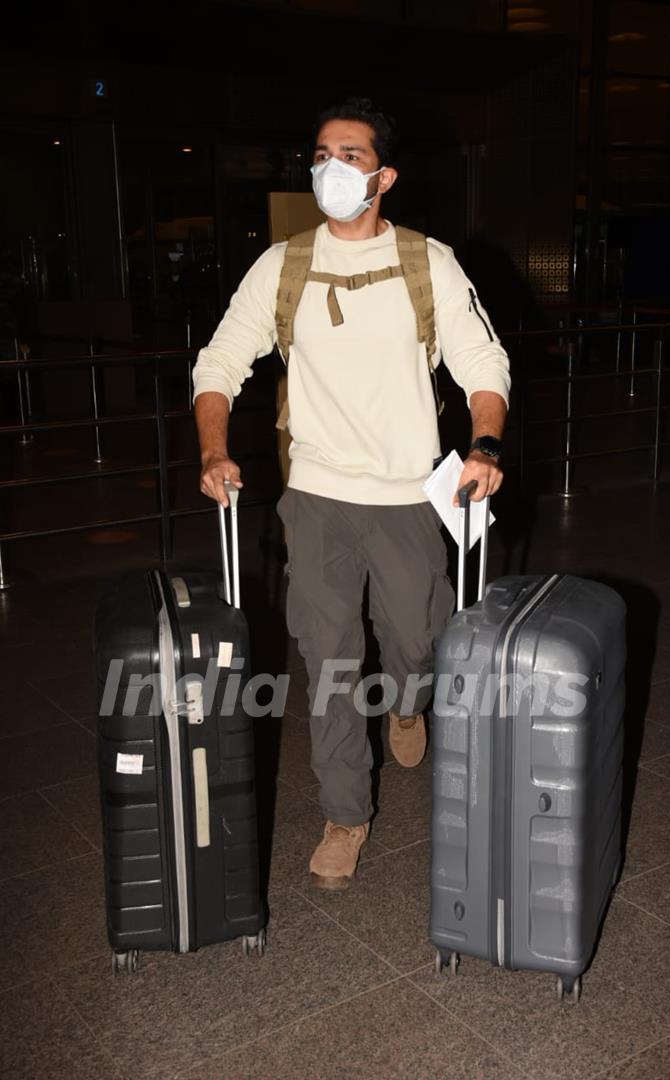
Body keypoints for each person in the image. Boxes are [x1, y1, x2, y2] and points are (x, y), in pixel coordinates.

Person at [193, 98, 510, 891]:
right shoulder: (284, 266)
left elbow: (483, 363)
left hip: (409, 495)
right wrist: (212, 449)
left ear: (385, 175)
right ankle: (345, 815)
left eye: (353, 154)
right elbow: (220, 363)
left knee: (417, 637)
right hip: (319, 498)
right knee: (329, 659)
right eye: (323, 151)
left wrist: (485, 445)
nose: (333, 166)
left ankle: (407, 703)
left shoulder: (426, 263)